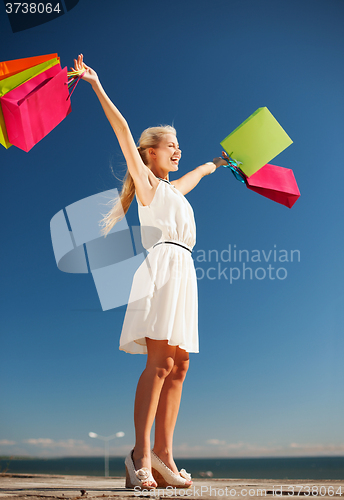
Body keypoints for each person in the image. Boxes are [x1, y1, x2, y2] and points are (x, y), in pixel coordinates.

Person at [73, 54, 228, 490]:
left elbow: (196, 174)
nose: (178, 150)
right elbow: (122, 129)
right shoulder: (147, 184)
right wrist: (97, 83)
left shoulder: (175, 190)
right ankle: (140, 456)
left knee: (180, 365)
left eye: (180, 145)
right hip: (162, 267)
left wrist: (217, 164)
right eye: (171, 144)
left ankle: (164, 454)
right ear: (149, 152)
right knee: (159, 363)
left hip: (185, 270)